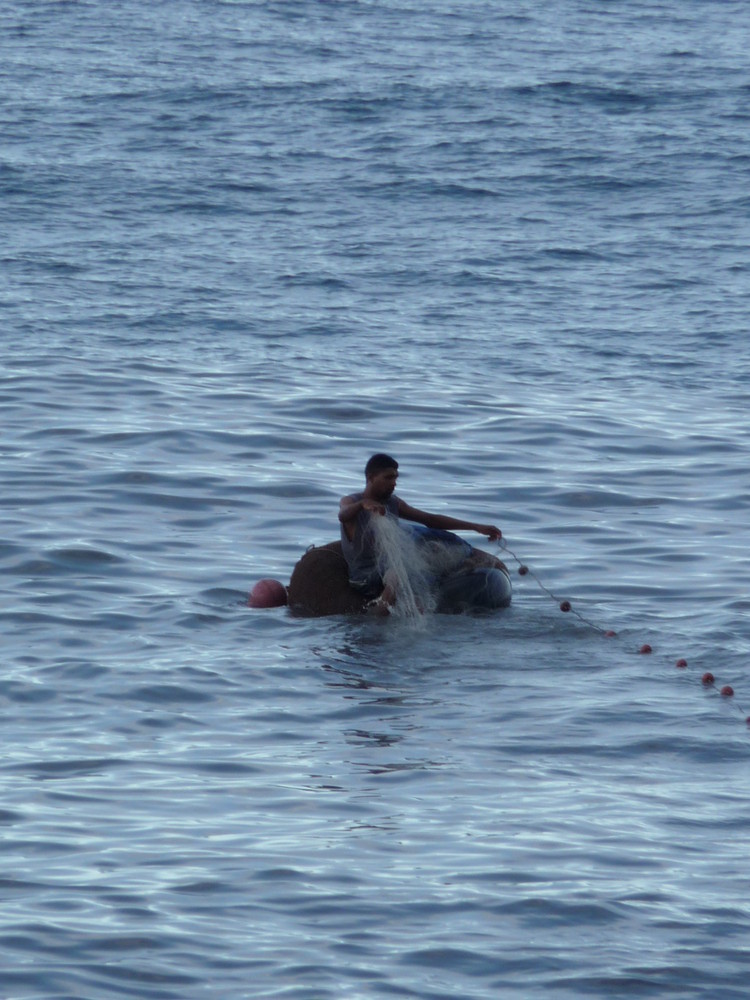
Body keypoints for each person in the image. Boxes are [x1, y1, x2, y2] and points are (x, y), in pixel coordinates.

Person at [339, 453, 502, 612]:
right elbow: (343, 514)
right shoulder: (352, 501)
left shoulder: (393, 503)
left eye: (396, 478)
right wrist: (362, 505)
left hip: (388, 570)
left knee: (420, 570)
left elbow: (430, 519)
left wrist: (476, 527)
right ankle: (379, 612)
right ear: (371, 478)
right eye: (388, 478)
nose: (394, 483)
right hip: (365, 577)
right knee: (399, 571)